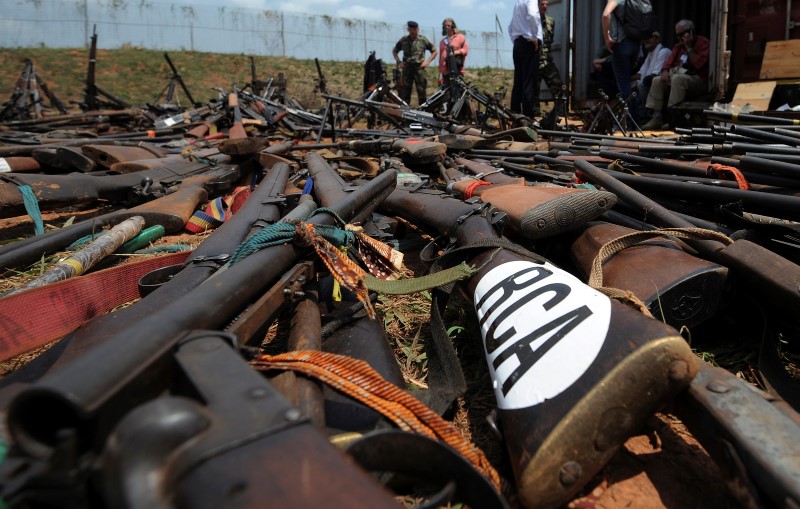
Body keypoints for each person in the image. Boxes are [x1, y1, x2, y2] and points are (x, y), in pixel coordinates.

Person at [640, 19, 710, 130]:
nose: (680, 38)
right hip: (681, 77)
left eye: (682, 35)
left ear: (691, 32)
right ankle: (656, 117)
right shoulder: (678, 47)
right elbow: (667, 64)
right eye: (678, 35)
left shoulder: (703, 43)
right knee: (657, 80)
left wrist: (689, 47)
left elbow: (698, 64)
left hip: (698, 80)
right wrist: (665, 72)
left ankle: (674, 119)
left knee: (678, 79)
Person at [602, 0, 650, 118]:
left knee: (624, 87)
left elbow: (605, 15)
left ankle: (627, 122)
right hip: (636, 45)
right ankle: (636, 119)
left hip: (621, 44)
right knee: (629, 84)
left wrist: (607, 39)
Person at [508, 0, 543, 117]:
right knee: (529, 81)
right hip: (528, 43)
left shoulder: (518, 3)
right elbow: (533, 14)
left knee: (518, 81)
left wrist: (515, 40)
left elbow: (510, 26)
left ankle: (515, 114)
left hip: (518, 43)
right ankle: (528, 117)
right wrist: (534, 37)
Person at [393, 20, 438, 106]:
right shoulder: (403, 40)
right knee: (405, 92)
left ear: (418, 29)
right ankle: (405, 111)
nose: (412, 31)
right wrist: (399, 62)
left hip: (419, 68)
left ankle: (423, 111)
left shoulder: (423, 40)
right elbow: (395, 51)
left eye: (414, 29)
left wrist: (427, 62)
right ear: (408, 30)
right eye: (411, 29)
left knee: (421, 91)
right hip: (407, 68)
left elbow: (434, 51)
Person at [531, 0, 564, 116]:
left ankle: (559, 113)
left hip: (547, 62)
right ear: (537, 6)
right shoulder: (533, 21)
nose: (545, 7)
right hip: (535, 61)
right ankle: (535, 115)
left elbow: (550, 41)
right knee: (534, 90)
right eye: (542, 4)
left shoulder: (551, 22)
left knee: (559, 87)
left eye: (546, 4)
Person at [632, 31, 672, 119]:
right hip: (651, 82)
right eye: (644, 38)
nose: (646, 40)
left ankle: (648, 114)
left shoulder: (663, 51)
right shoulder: (650, 54)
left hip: (663, 84)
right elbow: (640, 74)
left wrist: (637, 83)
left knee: (641, 85)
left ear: (657, 39)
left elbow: (654, 75)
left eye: (649, 37)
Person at [438, 18, 468, 88]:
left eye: (449, 25)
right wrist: (440, 69)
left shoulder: (460, 37)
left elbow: (465, 50)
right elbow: (440, 56)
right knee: (446, 92)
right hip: (445, 71)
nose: (447, 27)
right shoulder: (442, 41)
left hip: (456, 70)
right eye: (445, 26)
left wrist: (454, 52)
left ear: (453, 26)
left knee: (457, 91)